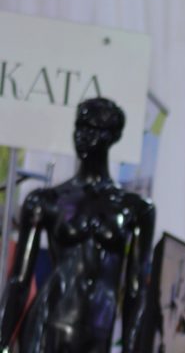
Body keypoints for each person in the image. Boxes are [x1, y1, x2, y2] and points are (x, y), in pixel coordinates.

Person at [0, 97, 156, 353]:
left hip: (98, 329)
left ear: (111, 137)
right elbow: (18, 280)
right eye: (80, 127)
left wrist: (133, 348)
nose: (83, 136)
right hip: (50, 322)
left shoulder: (135, 209)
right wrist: (3, 343)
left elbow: (136, 290)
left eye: (93, 129)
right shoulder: (47, 200)